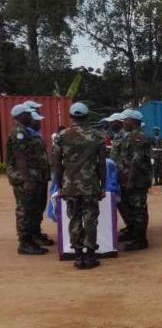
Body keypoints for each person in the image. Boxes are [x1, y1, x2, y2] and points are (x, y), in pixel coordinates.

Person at [53, 103, 106, 269]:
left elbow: (56, 164)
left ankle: (78, 257)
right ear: (87, 116)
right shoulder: (97, 136)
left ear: (71, 116)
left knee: (74, 219)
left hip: (70, 186)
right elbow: (102, 165)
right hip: (90, 185)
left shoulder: (61, 136)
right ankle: (90, 256)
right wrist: (103, 186)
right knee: (90, 219)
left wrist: (59, 185)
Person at [6, 104, 50, 254]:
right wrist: (27, 180)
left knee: (31, 208)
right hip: (22, 177)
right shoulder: (19, 132)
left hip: (30, 176)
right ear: (20, 116)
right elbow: (20, 158)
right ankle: (24, 243)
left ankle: (30, 239)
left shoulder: (24, 131)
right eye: (27, 114)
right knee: (24, 209)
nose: (30, 116)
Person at [111, 109, 152, 251]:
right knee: (132, 208)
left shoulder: (138, 137)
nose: (123, 123)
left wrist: (129, 180)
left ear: (133, 122)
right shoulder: (131, 136)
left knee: (138, 209)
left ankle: (141, 240)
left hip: (137, 180)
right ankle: (134, 234)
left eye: (125, 120)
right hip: (131, 178)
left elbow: (136, 160)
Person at [26, 103, 56, 247]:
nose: (39, 121)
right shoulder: (25, 135)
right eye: (36, 117)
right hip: (32, 178)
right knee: (31, 208)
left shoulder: (35, 134)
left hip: (40, 177)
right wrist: (27, 180)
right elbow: (21, 160)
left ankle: (36, 233)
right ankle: (30, 237)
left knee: (39, 207)